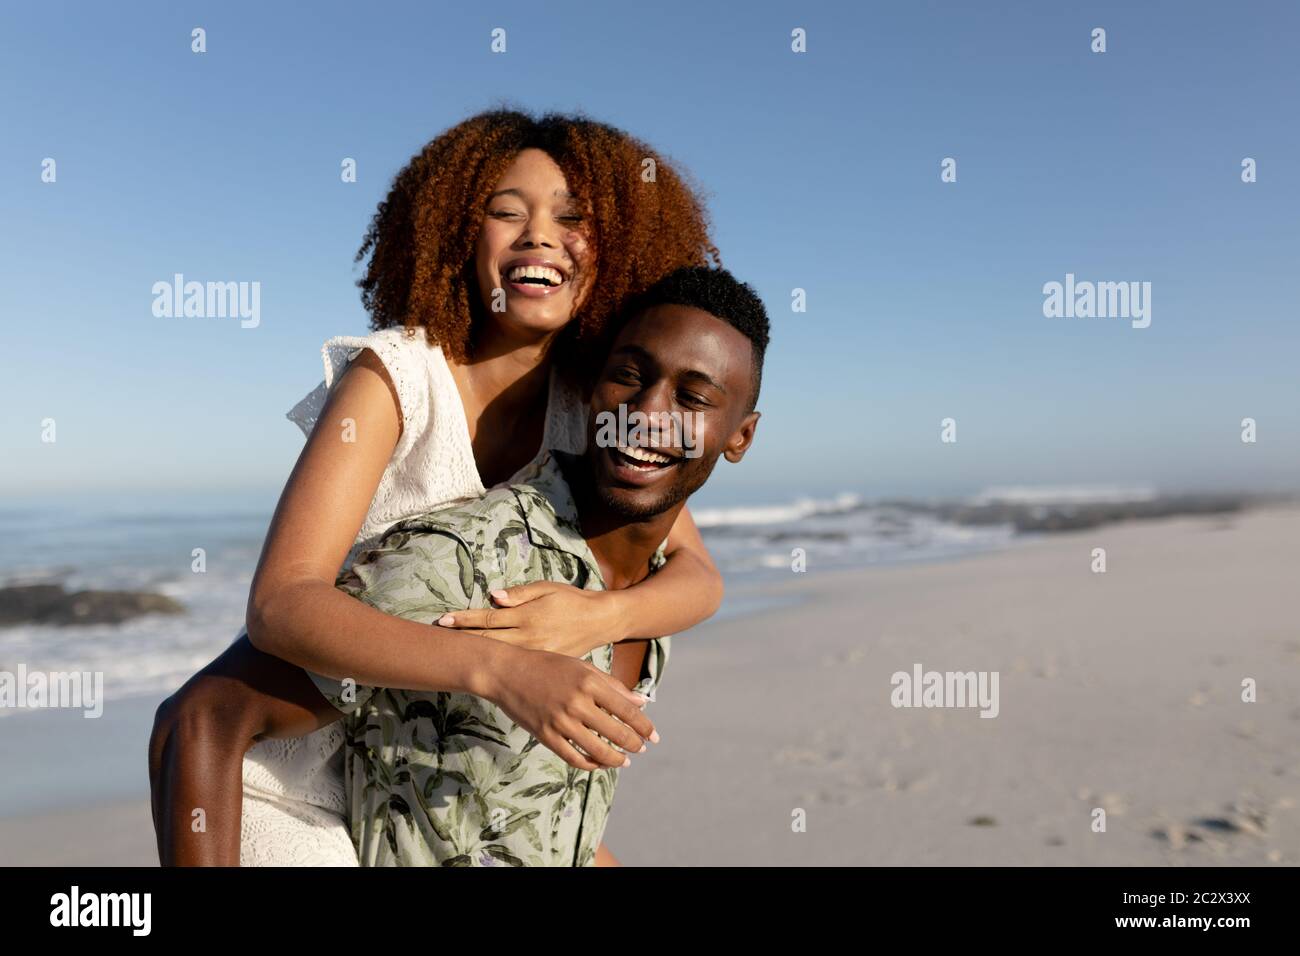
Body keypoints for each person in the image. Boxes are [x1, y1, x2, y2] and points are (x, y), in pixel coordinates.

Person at [149, 110, 724, 866]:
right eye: (505, 212)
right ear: (458, 232)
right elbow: (281, 604)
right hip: (300, 774)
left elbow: (697, 577)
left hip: (438, 778)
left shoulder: (590, 405)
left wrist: (597, 618)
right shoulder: (395, 378)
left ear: (615, 251)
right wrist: (503, 667)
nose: (539, 236)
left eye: (573, 218)